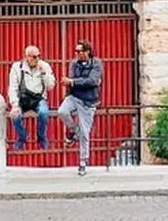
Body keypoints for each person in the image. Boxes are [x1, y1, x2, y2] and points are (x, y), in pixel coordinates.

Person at [57, 39, 102, 176]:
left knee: (84, 132)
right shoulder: (74, 64)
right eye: (76, 51)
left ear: (87, 51)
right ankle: (72, 130)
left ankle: (82, 162)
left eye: (79, 51)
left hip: (88, 102)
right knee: (62, 111)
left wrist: (73, 82)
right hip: (74, 97)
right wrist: (71, 82)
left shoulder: (96, 63)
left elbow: (93, 81)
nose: (76, 53)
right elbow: (75, 80)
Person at [8, 45, 55, 150]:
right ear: (26, 57)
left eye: (38, 56)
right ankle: (22, 137)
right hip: (22, 99)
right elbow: (12, 87)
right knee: (15, 116)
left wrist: (44, 73)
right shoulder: (17, 67)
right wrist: (14, 104)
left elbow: (50, 86)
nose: (37, 59)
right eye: (34, 57)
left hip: (38, 99)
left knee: (43, 113)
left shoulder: (44, 66)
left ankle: (41, 137)